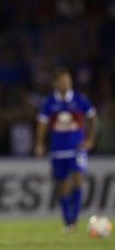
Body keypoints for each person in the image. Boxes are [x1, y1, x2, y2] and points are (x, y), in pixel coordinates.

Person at [34, 67, 98, 232]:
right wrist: (40, 143)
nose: (66, 83)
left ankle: (74, 221)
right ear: (55, 83)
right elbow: (42, 124)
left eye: (68, 80)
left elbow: (93, 118)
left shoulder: (80, 99)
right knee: (62, 185)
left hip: (77, 149)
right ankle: (68, 222)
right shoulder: (49, 102)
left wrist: (90, 139)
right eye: (62, 81)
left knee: (77, 181)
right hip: (58, 150)